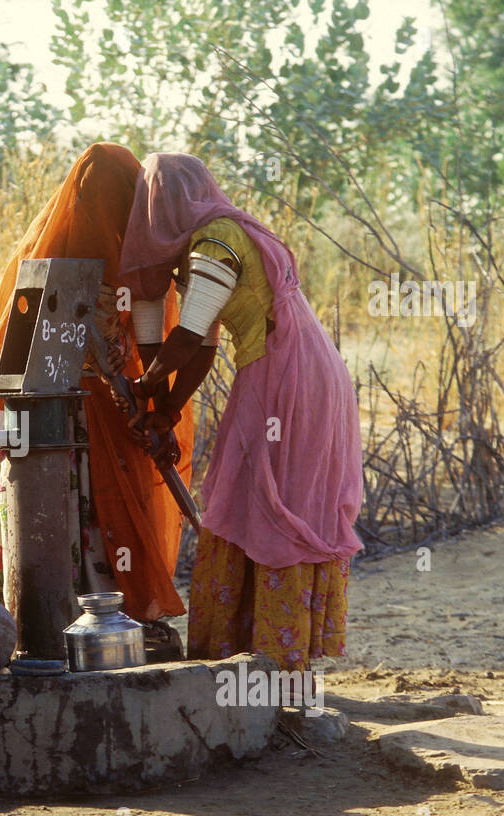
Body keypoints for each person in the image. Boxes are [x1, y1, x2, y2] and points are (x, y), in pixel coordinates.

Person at [117, 152, 363, 671]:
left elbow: (186, 335)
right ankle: (263, 650)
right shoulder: (218, 238)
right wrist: (165, 409)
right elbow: (203, 347)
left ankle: (267, 652)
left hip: (285, 374)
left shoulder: (217, 240)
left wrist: (143, 385)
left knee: (264, 498)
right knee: (267, 493)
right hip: (304, 370)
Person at [0, 143, 194, 629]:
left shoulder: (38, 259)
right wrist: (145, 406)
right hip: (95, 416)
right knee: (97, 506)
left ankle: (29, 614)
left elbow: (9, 356)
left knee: (39, 508)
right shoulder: (116, 265)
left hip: (36, 416)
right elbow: (116, 357)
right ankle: (106, 617)